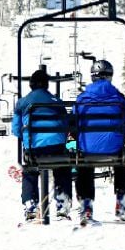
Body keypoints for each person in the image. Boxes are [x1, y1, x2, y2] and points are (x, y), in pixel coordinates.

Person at [74, 60, 125, 222]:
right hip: (114, 148)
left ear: (93, 77)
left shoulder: (82, 99)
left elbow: (74, 121)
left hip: (88, 148)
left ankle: (86, 205)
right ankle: (121, 203)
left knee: (84, 164)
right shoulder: (120, 99)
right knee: (123, 160)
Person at [12, 69, 74, 220]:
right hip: (57, 149)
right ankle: (62, 203)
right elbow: (66, 126)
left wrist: (27, 139)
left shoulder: (22, 103)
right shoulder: (57, 102)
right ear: (47, 85)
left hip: (35, 150)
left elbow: (16, 129)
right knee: (62, 168)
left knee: (30, 170)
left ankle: (30, 205)